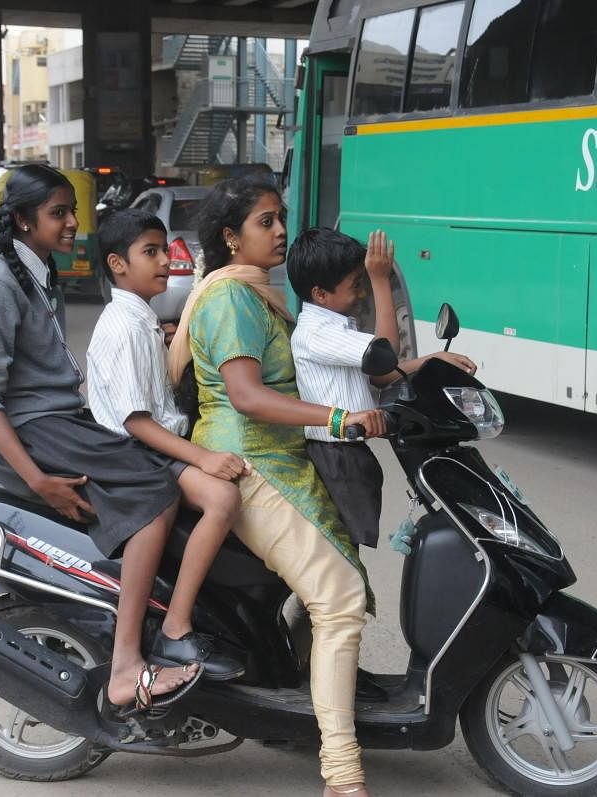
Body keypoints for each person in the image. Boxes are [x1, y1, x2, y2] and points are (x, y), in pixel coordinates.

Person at [0, 165, 221, 713]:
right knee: (155, 492)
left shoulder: (37, 270)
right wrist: (37, 479)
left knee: (152, 473)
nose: (74, 222)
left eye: (72, 211)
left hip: (60, 421)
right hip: (32, 432)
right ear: (24, 220)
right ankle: (127, 666)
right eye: (59, 213)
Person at [167, 177, 384, 797]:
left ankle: (302, 711)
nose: (280, 230)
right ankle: (342, 774)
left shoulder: (261, 296)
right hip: (250, 463)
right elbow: (247, 397)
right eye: (266, 221)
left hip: (282, 463)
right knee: (339, 601)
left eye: (281, 217)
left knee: (329, 594)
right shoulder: (232, 299)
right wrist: (339, 418)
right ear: (232, 237)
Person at [86, 208, 246, 681]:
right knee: (223, 497)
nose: (163, 262)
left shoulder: (141, 318)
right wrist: (205, 457)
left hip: (153, 443)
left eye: (164, 251)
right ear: (118, 264)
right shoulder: (128, 326)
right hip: (141, 452)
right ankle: (174, 628)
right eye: (149, 253)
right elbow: (138, 421)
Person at [287, 227, 477, 548]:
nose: (362, 294)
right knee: (341, 550)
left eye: (362, 284)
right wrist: (380, 280)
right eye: (356, 286)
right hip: (335, 454)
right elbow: (385, 355)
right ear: (320, 294)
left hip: (350, 452)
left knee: (345, 547)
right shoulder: (315, 332)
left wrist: (434, 359)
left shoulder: (335, 326)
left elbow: (380, 376)